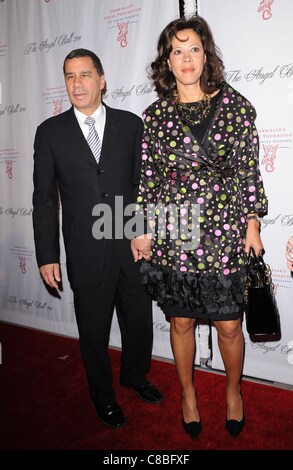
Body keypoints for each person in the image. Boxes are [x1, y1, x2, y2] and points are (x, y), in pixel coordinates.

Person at [131, 16, 268, 439]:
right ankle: (188, 394)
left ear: (206, 55)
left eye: (193, 49)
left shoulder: (237, 106)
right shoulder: (154, 116)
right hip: (177, 230)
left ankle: (233, 390)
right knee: (181, 323)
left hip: (226, 227)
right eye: (177, 51)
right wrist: (140, 227)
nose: (186, 59)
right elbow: (148, 177)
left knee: (229, 324)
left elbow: (248, 171)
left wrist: (252, 222)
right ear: (166, 62)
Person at [32, 48, 163, 431]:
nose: (77, 84)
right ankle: (103, 396)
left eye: (85, 75)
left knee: (138, 321)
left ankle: (135, 376)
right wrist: (46, 254)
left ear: (102, 80)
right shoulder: (49, 132)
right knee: (92, 331)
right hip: (85, 250)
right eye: (70, 76)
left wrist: (141, 231)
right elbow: (43, 200)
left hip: (130, 244)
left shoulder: (130, 124)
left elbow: (143, 185)